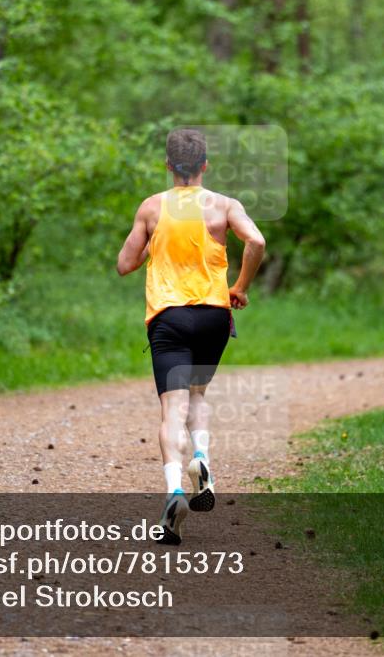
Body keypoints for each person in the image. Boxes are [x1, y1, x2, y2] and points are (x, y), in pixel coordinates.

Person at [116, 128, 266, 545]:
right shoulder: (224, 205)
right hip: (214, 316)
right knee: (198, 396)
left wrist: (151, 243)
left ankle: (174, 491)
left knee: (172, 408)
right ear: (204, 165)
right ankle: (201, 459)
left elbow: (124, 264)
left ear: (168, 165)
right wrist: (240, 286)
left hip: (169, 317)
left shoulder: (151, 208)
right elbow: (256, 240)